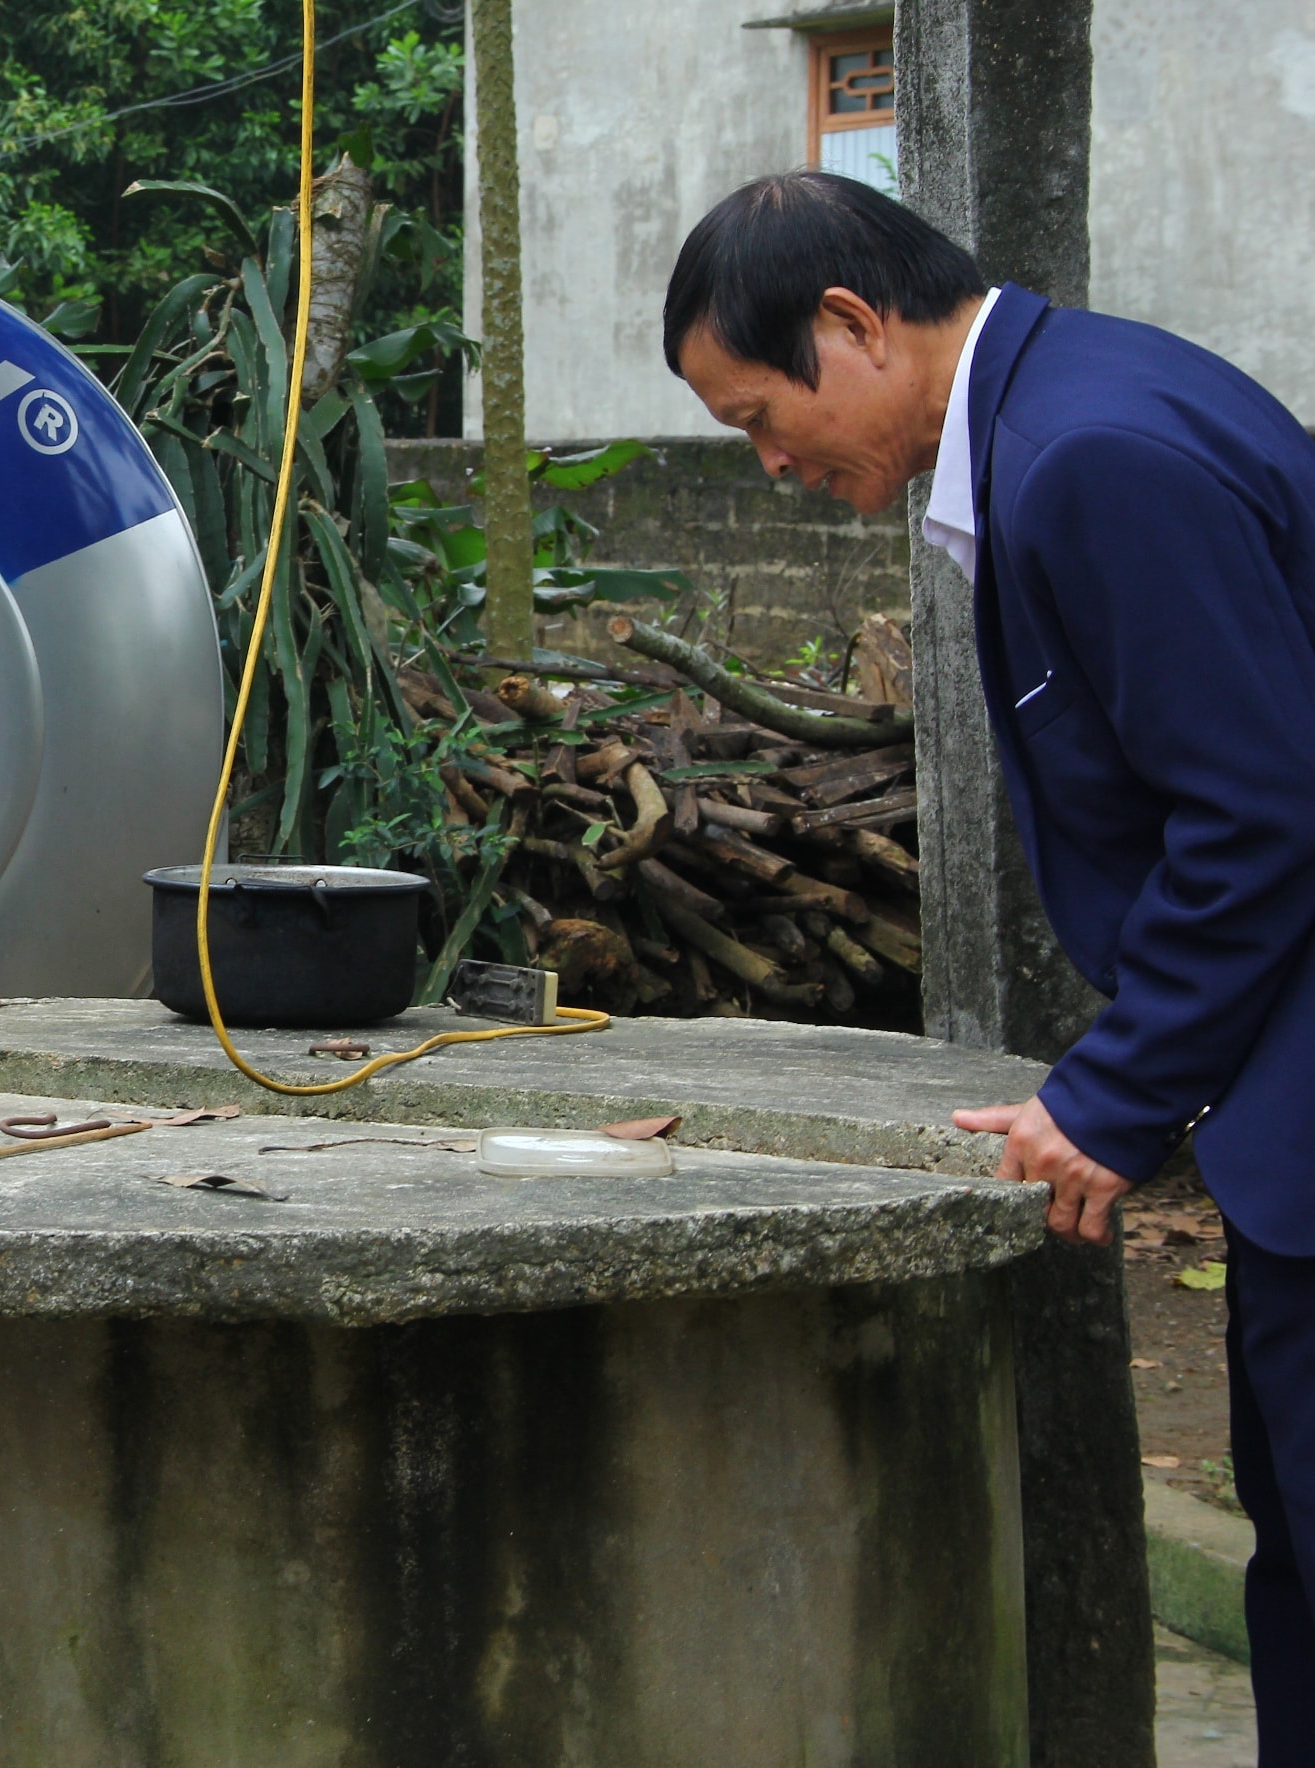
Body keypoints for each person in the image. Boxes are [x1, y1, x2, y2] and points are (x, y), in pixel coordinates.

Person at [663, 170, 1315, 1749]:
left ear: (850, 325)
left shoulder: (1088, 461)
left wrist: (1113, 1094)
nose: (771, 464)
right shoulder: (1089, 397)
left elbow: (1263, 811)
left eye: (761, 415)